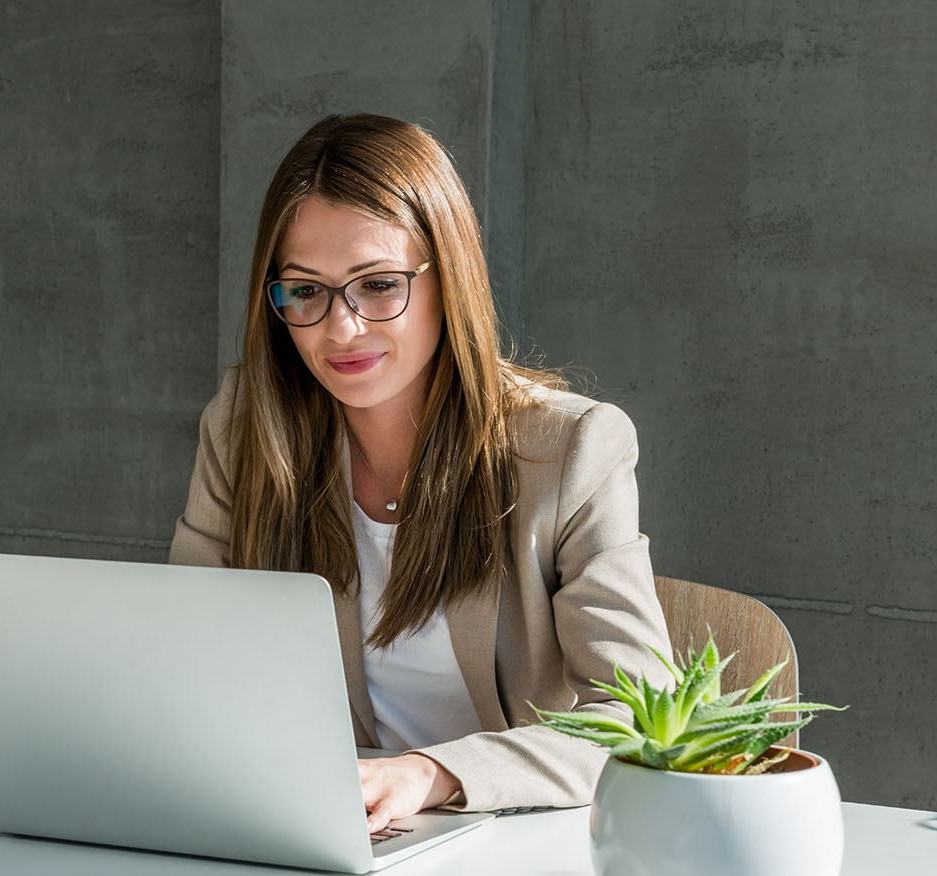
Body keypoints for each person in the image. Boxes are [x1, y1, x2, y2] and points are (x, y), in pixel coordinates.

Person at [169, 113, 670, 832]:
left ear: (448, 279)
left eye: (378, 285)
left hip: (507, 839)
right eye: (305, 291)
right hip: (309, 831)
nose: (341, 329)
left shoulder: (570, 449)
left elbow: (640, 720)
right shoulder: (246, 424)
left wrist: (433, 773)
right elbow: (179, 658)